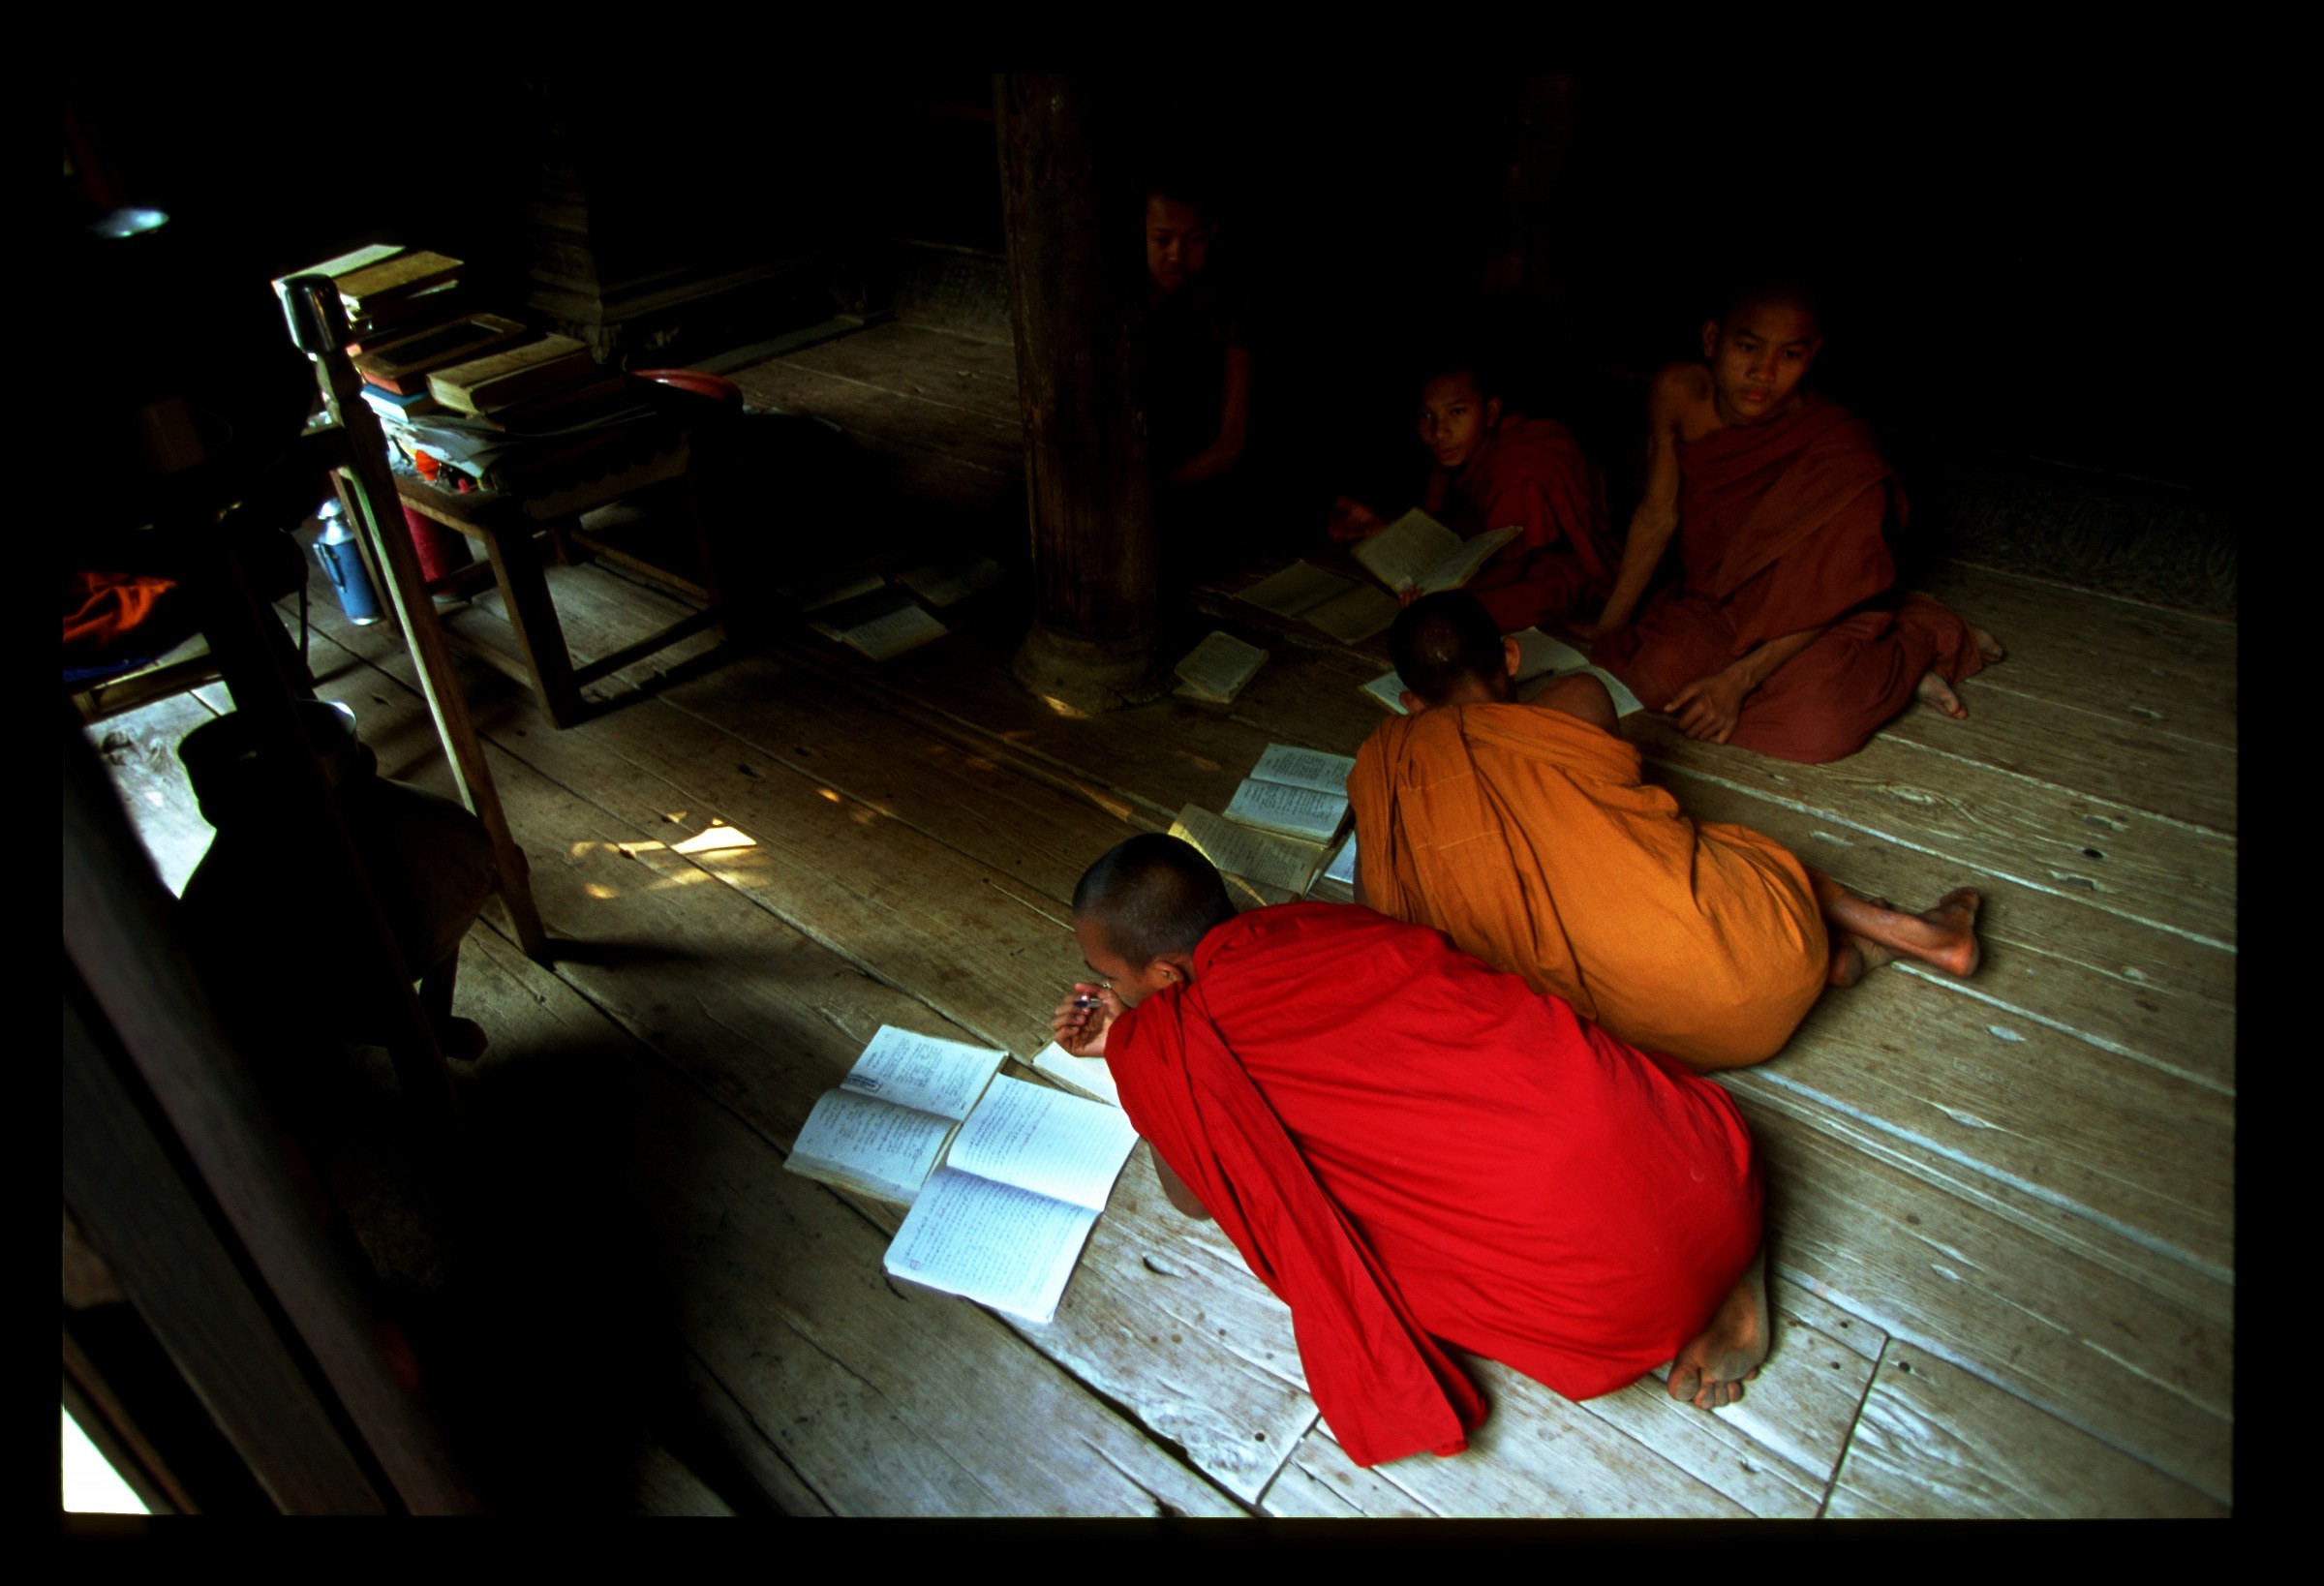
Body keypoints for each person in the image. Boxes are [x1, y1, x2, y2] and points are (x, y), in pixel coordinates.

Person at [1049, 834, 1769, 1469]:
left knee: (1378, 1244)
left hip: (1614, 1309)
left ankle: (1695, 1285)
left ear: (1167, 975)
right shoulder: (1322, 922)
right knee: (1588, 1085)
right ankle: (1732, 1253)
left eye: (1111, 974)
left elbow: (1195, 1200)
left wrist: (1135, 1057)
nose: (1111, 987)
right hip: (1698, 1162)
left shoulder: (1169, 1045)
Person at [1351, 592, 1983, 1070]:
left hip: (1639, 1046)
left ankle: (1847, 958)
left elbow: (1373, 907)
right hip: (1767, 954)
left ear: (1410, 706)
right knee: (1703, 851)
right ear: (1511, 656)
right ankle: (1903, 930)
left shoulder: (1385, 767)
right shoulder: (1578, 700)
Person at [1578, 284, 2003, 763]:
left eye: (1790, 355)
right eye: (1747, 347)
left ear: (1812, 355)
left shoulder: (1839, 452)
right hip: (1717, 600)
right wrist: (1608, 626)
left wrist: (1739, 680)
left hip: (1815, 615)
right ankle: (1855, 677)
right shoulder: (1679, 393)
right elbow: (1658, 516)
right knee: (1649, 684)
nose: (1763, 372)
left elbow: (1826, 595)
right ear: (1712, 338)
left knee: (1813, 730)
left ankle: (1917, 637)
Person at [1329, 358, 1618, 629]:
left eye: (1457, 412)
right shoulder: (1455, 449)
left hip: (1550, 568)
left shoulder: (1515, 472)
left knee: (1453, 615)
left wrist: (1433, 591)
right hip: (1490, 558)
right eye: (1425, 415)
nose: (1440, 431)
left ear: (1490, 412)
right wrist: (1384, 533)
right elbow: (1433, 525)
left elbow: (1512, 569)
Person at [1143, 181, 1251, 562]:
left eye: (1194, 239)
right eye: (1162, 239)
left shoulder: (1227, 315)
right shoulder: (1115, 304)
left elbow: (1229, 446)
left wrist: (1154, 489)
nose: (1177, 254)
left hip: (1192, 483)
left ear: (1214, 233)